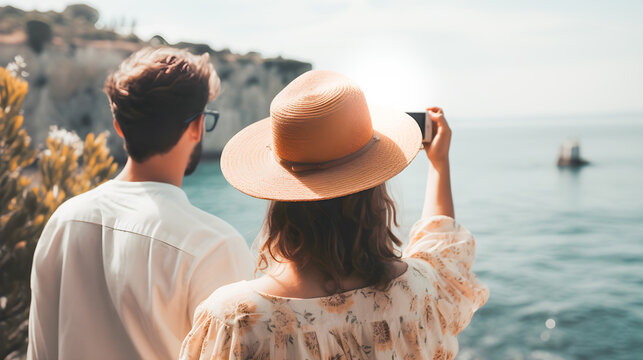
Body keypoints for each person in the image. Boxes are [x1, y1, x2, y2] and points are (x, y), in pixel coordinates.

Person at [180, 70, 489, 359]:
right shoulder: (421, 293)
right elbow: (444, 248)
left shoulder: (236, 320)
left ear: (282, 195)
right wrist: (439, 163)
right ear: (374, 189)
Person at [28, 47, 255, 360]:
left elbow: (40, 350)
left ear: (119, 126)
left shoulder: (63, 222)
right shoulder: (213, 247)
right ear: (196, 126)